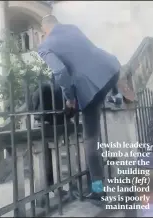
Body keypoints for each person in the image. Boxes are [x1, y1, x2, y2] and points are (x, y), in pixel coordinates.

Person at [38, 14, 122, 202]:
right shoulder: (73, 28)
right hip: (111, 69)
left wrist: (69, 99)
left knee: (90, 143)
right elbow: (87, 55)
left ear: (44, 29)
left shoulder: (45, 45)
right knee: (95, 133)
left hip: (90, 88)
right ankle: (115, 97)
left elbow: (60, 71)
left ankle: (99, 190)